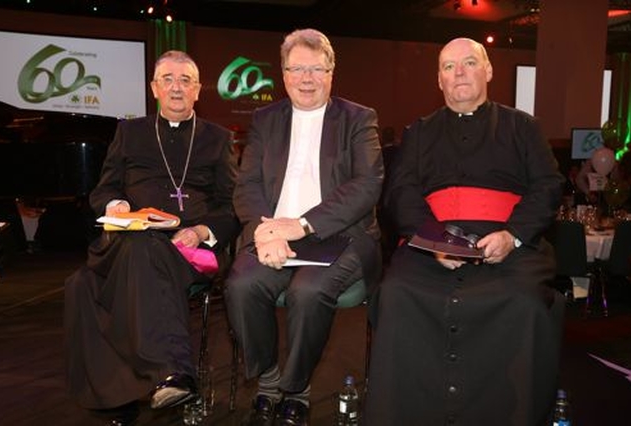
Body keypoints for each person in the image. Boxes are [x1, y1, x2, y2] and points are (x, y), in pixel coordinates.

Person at [363, 38, 566, 425]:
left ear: (488, 71)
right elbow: (401, 190)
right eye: (448, 66)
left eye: (469, 63)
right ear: (438, 79)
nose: (459, 72)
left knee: (524, 302)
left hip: (508, 244)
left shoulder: (523, 127)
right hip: (432, 243)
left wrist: (512, 235)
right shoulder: (419, 132)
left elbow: (547, 185)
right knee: (396, 294)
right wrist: (435, 240)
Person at [64, 50, 238, 426]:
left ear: (197, 91)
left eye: (186, 80)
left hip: (187, 248)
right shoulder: (130, 132)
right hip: (130, 239)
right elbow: (104, 188)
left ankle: (163, 372)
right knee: (86, 280)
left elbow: (231, 205)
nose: (177, 87)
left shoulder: (218, 139)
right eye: (168, 79)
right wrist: (115, 205)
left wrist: (200, 230)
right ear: (154, 88)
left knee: (107, 271)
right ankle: (122, 393)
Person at [224, 28, 383, 426]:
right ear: (283, 73)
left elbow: (367, 185)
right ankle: (269, 379)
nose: (306, 78)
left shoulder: (359, 118)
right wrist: (265, 231)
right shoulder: (265, 119)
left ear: (331, 72)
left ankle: (297, 389)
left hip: (339, 235)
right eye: (297, 69)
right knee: (241, 287)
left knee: (308, 293)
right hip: (272, 231)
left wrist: (301, 225)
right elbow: (248, 184)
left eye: (316, 69)